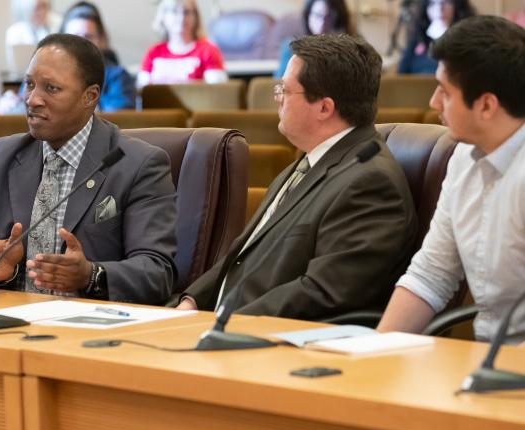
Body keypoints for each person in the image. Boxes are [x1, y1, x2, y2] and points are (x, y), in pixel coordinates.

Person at [175, 34, 417, 320]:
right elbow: (242, 257)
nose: (277, 99)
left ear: (324, 108)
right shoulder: (309, 161)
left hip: (274, 343)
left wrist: (221, 323)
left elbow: (322, 292)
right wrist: (191, 301)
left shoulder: (370, 183)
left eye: (285, 90)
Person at [0, 34, 177, 304]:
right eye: (29, 84)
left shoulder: (137, 163)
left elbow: (157, 272)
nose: (33, 99)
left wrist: (90, 275)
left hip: (89, 330)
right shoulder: (3, 156)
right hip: (9, 321)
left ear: (90, 96)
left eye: (51, 88)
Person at [378, 16, 525, 345]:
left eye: (444, 92)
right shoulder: (463, 157)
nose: (433, 103)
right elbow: (431, 275)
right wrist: (373, 352)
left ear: (486, 105)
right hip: (487, 364)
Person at [0, 2, 135, 114]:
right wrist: (11, 104)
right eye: (74, 37)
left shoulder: (119, 76)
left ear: (101, 40)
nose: (82, 44)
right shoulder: (39, 74)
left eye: (88, 37)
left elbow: (116, 121)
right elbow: (26, 109)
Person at [137, 0, 227, 88]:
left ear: (195, 16)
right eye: (174, 11)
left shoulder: (208, 50)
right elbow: (142, 90)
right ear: (163, 16)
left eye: (186, 12)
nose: (181, 18)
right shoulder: (154, 52)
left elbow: (217, 92)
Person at [274, 0, 355, 79]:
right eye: (318, 15)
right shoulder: (291, 47)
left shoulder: (352, 47)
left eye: (329, 17)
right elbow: (281, 84)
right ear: (308, 15)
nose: (322, 23)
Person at [397, 0, 474, 74]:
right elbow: (401, 74)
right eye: (433, 3)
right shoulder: (416, 40)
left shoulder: (469, 40)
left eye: (446, 2)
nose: (439, 8)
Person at [6, 0, 61, 69]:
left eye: (44, 6)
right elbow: (15, 64)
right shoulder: (15, 31)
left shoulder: (58, 23)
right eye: (37, 8)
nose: (42, 12)